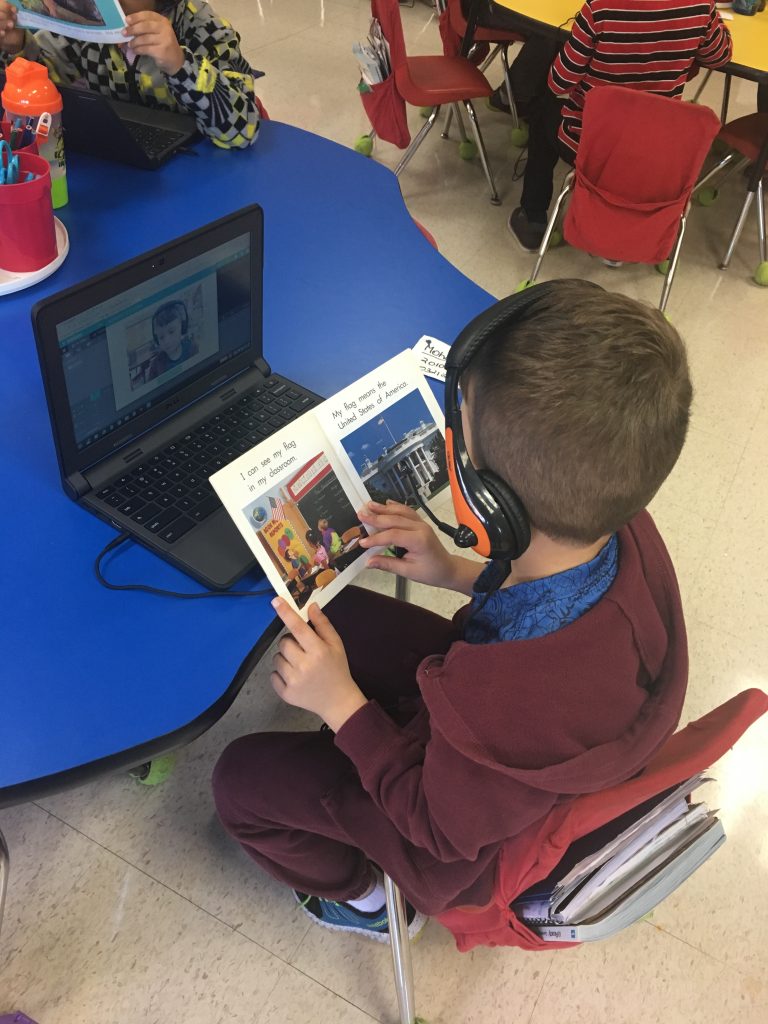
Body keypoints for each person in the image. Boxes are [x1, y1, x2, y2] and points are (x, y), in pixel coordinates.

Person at [212, 281, 692, 942]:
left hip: (445, 842)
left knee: (239, 782)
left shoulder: (507, 704)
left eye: (459, 450)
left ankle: (364, 901)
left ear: (488, 505)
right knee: (333, 612)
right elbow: (538, 591)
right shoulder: (620, 522)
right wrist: (453, 570)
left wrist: (344, 709)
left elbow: (436, 827)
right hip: (504, 725)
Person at [508, 0, 733, 252]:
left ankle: (533, 219)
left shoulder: (600, 8)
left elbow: (560, 82)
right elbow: (720, 55)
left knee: (543, 116)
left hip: (592, 144)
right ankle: (625, 232)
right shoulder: (701, 6)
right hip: (653, 149)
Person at [0, 0, 263, 149]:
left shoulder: (201, 27)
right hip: (120, 168)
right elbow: (41, 105)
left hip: (202, 177)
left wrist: (180, 65)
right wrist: (17, 47)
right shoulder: (80, 30)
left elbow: (244, 128)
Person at [145, 299, 198, 381]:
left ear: (182, 328)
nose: (167, 341)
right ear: (157, 339)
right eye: (161, 337)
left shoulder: (192, 348)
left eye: (171, 331)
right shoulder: (155, 365)